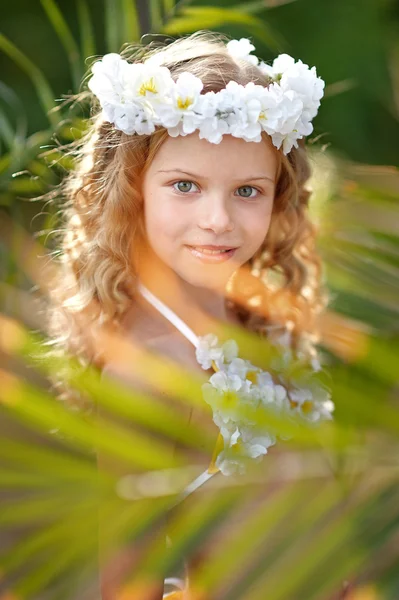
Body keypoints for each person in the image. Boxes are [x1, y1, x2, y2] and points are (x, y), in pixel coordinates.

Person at [45, 30, 333, 599]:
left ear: (278, 197)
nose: (218, 219)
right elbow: (129, 573)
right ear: (133, 191)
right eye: (185, 186)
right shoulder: (152, 367)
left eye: (247, 191)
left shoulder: (253, 320)